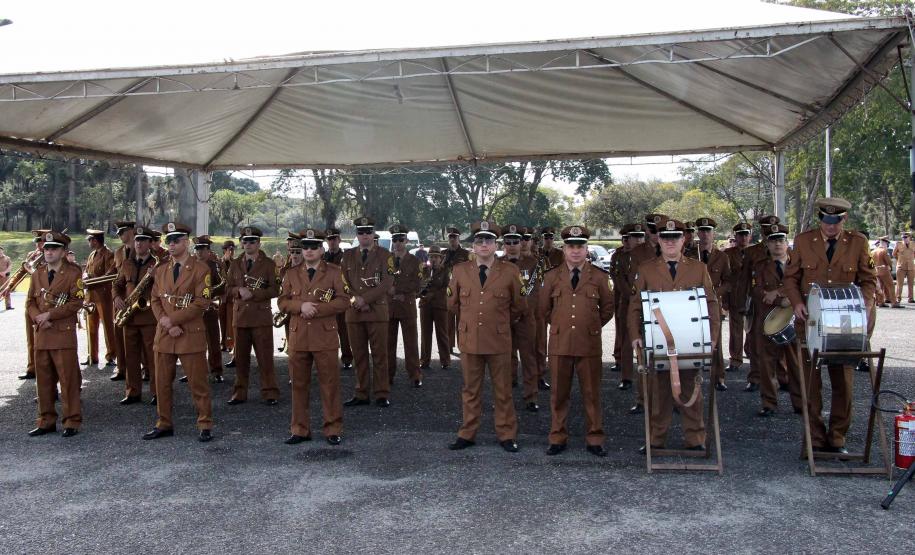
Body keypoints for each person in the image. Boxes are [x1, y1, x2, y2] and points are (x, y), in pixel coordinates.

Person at [783, 197, 877, 455]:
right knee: (810, 385)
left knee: (843, 385)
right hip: (811, 323)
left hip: (846, 325)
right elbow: (790, 278)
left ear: (843, 220)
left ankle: (837, 439)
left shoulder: (857, 242)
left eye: (835, 222)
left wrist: (866, 305)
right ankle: (814, 439)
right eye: (826, 221)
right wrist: (796, 303)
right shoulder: (804, 241)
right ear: (820, 219)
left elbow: (869, 280)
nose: (830, 227)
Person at [630, 217, 720, 452]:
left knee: (692, 392)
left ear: (684, 239)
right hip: (657, 341)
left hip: (690, 341)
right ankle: (655, 440)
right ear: (658, 239)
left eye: (675, 237)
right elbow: (634, 306)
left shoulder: (699, 269)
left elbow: (711, 305)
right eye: (665, 238)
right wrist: (635, 336)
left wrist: (713, 338)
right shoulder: (646, 269)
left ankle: (695, 439)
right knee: (658, 394)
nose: (670, 242)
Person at [447, 221, 524, 453]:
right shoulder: (460, 271)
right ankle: (467, 433)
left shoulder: (510, 271)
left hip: (499, 340)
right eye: (479, 241)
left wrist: (498, 322)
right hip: (470, 340)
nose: (483, 245)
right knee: (470, 390)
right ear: (473, 246)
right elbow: (452, 304)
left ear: (496, 245)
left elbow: (519, 306)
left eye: (488, 240)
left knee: (503, 390)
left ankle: (507, 434)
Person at [539, 225, 614, 457]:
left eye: (580, 246)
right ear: (564, 249)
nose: (575, 251)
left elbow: (608, 308)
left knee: (592, 394)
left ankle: (595, 438)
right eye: (571, 246)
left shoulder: (600, 277)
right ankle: (557, 437)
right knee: (559, 394)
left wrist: (589, 326)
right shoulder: (551, 276)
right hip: (560, 344)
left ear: (586, 248)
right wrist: (562, 326)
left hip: (588, 344)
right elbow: (543, 309)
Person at [143, 222, 215, 442]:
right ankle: (163, 423)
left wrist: (172, 320)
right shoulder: (161, 269)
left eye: (176, 241)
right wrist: (165, 322)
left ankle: (204, 423)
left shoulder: (201, 269)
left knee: (198, 383)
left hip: (189, 333)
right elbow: (155, 299)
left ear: (186, 242)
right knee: (161, 383)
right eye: (168, 241)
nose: (171, 245)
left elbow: (202, 302)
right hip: (165, 334)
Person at [278, 229, 350, 446]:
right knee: (298, 384)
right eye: (305, 247)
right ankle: (299, 429)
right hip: (299, 336)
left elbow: (344, 300)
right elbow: (282, 302)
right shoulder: (291, 273)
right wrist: (301, 306)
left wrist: (316, 309)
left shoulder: (335, 272)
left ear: (321, 249)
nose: (308, 251)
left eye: (313, 247)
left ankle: (333, 428)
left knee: (330, 384)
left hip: (324, 336)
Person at [26, 231, 85, 438]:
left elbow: (77, 302)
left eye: (54, 248)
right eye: (47, 248)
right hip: (42, 333)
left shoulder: (73, 273)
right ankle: (46, 420)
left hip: (62, 334)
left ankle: (72, 421)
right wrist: (37, 317)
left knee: (67, 380)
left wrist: (49, 314)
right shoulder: (37, 273)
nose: (49, 251)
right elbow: (30, 302)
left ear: (63, 252)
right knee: (43, 380)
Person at [748, 224, 803, 416]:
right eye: (773, 241)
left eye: (781, 240)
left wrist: (781, 294)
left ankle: (800, 403)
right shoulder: (760, 266)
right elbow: (756, 291)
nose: (778, 244)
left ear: (786, 243)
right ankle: (769, 404)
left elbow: (804, 286)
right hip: (768, 321)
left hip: (794, 320)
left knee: (796, 364)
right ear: (768, 245)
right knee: (767, 364)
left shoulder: (798, 263)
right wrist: (782, 299)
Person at [341, 216, 395, 407]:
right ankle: (361, 392)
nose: (364, 235)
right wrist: (357, 299)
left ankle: (381, 393)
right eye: (361, 232)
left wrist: (366, 299)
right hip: (355, 312)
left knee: (380, 354)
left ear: (373, 234)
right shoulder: (347, 256)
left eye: (368, 232)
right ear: (357, 234)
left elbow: (387, 282)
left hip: (377, 311)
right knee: (359, 355)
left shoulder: (385, 255)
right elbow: (343, 282)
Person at [226, 226, 280, 405]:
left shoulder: (269, 264)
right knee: (240, 358)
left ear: (259, 243)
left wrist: (254, 294)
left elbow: (275, 290)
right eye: (245, 241)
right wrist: (237, 290)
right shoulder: (235, 263)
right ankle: (239, 393)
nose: (248, 244)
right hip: (240, 317)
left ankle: (270, 392)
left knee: (265, 358)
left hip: (260, 318)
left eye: (252, 241)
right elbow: (227, 288)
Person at [112, 225, 159, 405]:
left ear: (149, 243)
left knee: (152, 357)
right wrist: (117, 297)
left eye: (142, 240)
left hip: (148, 317)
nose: (138, 243)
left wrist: (155, 276)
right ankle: (133, 392)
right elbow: (117, 284)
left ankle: (156, 391)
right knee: (131, 356)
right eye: (137, 240)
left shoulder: (158, 264)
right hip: (129, 317)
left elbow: (165, 287)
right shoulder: (127, 263)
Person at [498, 224, 541, 410]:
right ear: (504, 244)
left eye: (516, 241)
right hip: (504, 318)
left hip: (525, 318)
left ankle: (531, 396)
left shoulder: (534, 263)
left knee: (528, 357)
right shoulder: (497, 264)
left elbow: (533, 293)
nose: (513, 245)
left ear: (521, 242)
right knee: (504, 357)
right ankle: (506, 394)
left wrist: (517, 313)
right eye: (509, 241)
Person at [694, 217, 732, 391]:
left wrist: (714, 294)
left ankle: (719, 377)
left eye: (708, 231)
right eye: (702, 231)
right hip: (693, 304)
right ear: (697, 233)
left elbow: (728, 281)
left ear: (713, 233)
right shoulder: (689, 255)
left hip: (713, 304)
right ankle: (694, 378)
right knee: (693, 341)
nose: (705, 234)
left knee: (715, 341)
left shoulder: (722, 256)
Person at [387, 223, 423, 387]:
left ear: (406, 240)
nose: (398, 242)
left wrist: (398, 289)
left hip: (407, 307)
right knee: (388, 344)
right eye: (395, 239)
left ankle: (415, 375)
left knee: (411, 343)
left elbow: (418, 284)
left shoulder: (415, 261)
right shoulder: (386, 260)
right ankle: (388, 375)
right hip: (389, 307)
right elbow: (380, 281)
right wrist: (393, 291)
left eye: (401, 239)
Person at [193, 236, 227, 382]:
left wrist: (207, 293)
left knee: (213, 340)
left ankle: (216, 370)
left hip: (209, 307)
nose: (199, 252)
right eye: (197, 249)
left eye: (202, 249)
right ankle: (194, 370)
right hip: (193, 309)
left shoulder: (214, 265)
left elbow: (223, 284)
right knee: (193, 341)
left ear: (208, 250)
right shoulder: (190, 265)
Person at [84, 228, 117, 370]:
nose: (89, 242)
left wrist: (91, 281)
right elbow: (86, 270)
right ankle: (93, 355)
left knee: (108, 326)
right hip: (91, 295)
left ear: (96, 240)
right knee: (91, 326)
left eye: (90, 240)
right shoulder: (92, 254)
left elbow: (110, 274)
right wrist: (85, 277)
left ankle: (111, 355)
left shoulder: (108, 254)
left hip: (103, 295)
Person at [723, 222, 752, 375]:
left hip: (752, 296)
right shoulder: (727, 254)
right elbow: (725, 278)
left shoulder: (756, 252)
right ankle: (735, 359)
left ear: (750, 236)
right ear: (735, 236)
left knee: (753, 330)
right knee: (735, 331)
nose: (744, 237)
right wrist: (725, 300)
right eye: (740, 234)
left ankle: (751, 353)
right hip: (735, 295)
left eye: (746, 234)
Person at [109, 221, 135, 383]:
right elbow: (113, 272)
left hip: (136, 299)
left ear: (131, 231)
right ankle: (122, 368)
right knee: (118, 334)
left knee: (141, 336)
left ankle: (145, 368)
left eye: (122, 232)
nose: (119, 235)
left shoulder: (142, 249)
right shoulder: (118, 252)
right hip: (120, 300)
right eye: (118, 233)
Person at [323, 227, 353, 370]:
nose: (332, 242)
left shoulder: (346, 257)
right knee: (326, 331)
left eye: (334, 239)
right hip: (326, 299)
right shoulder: (322, 257)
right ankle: (328, 359)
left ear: (339, 240)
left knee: (344, 330)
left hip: (340, 297)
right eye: (329, 239)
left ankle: (347, 358)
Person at [419, 246, 450, 371]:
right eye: (431, 256)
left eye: (436, 257)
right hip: (425, 305)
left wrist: (432, 294)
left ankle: (445, 360)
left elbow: (446, 288)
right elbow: (419, 286)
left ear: (440, 258)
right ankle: (424, 360)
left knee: (442, 333)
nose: (433, 259)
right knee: (425, 334)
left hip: (440, 305)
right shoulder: (424, 270)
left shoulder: (445, 270)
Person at [443, 227, 470, 354]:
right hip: (447, 291)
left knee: (461, 321)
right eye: (450, 237)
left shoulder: (466, 254)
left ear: (459, 239)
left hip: (461, 292)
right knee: (447, 321)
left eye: (454, 237)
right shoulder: (443, 254)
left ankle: (462, 346)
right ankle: (448, 346)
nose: (452, 239)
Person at [219, 240, 236, 353]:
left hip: (231, 297)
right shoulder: (219, 262)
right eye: (229, 250)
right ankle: (223, 343)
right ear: (224, 250)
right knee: (222, 321)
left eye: (232, 250)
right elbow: (221, 276)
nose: (231, 252)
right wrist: (225, 262)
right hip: (222, 296)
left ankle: (229, 343)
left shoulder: (236, 263)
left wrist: (229, 261)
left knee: (230, 321)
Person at [872, 237, 899, 308]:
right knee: (891, 286)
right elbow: (888, 261)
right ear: (884, 243)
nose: (887, 246)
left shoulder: (873, 251)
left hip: (876, 270)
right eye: (887, 244)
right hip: (884, 270)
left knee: (880, 287)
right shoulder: (884, 251)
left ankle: (880, 302)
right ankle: (894, 302)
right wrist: (890, 266)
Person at [894, 231, 914, 303]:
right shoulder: (898, 244)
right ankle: (898, 298)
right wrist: (900, 260)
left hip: (911, 267)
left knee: (911, 283)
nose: (904, 239)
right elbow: (894, 254)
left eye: (906, 237)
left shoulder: (913, 244)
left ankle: (911, 298)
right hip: (901, 267)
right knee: (900, 284)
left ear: (909, 238)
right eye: (903, 238)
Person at [0, 246, 12, 310]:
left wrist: (5, 272)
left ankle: (8, 305)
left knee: (7, 290)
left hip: (5, 277)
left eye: (0, 251)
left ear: (3, 251)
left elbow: (10, 266)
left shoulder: (7, 258)